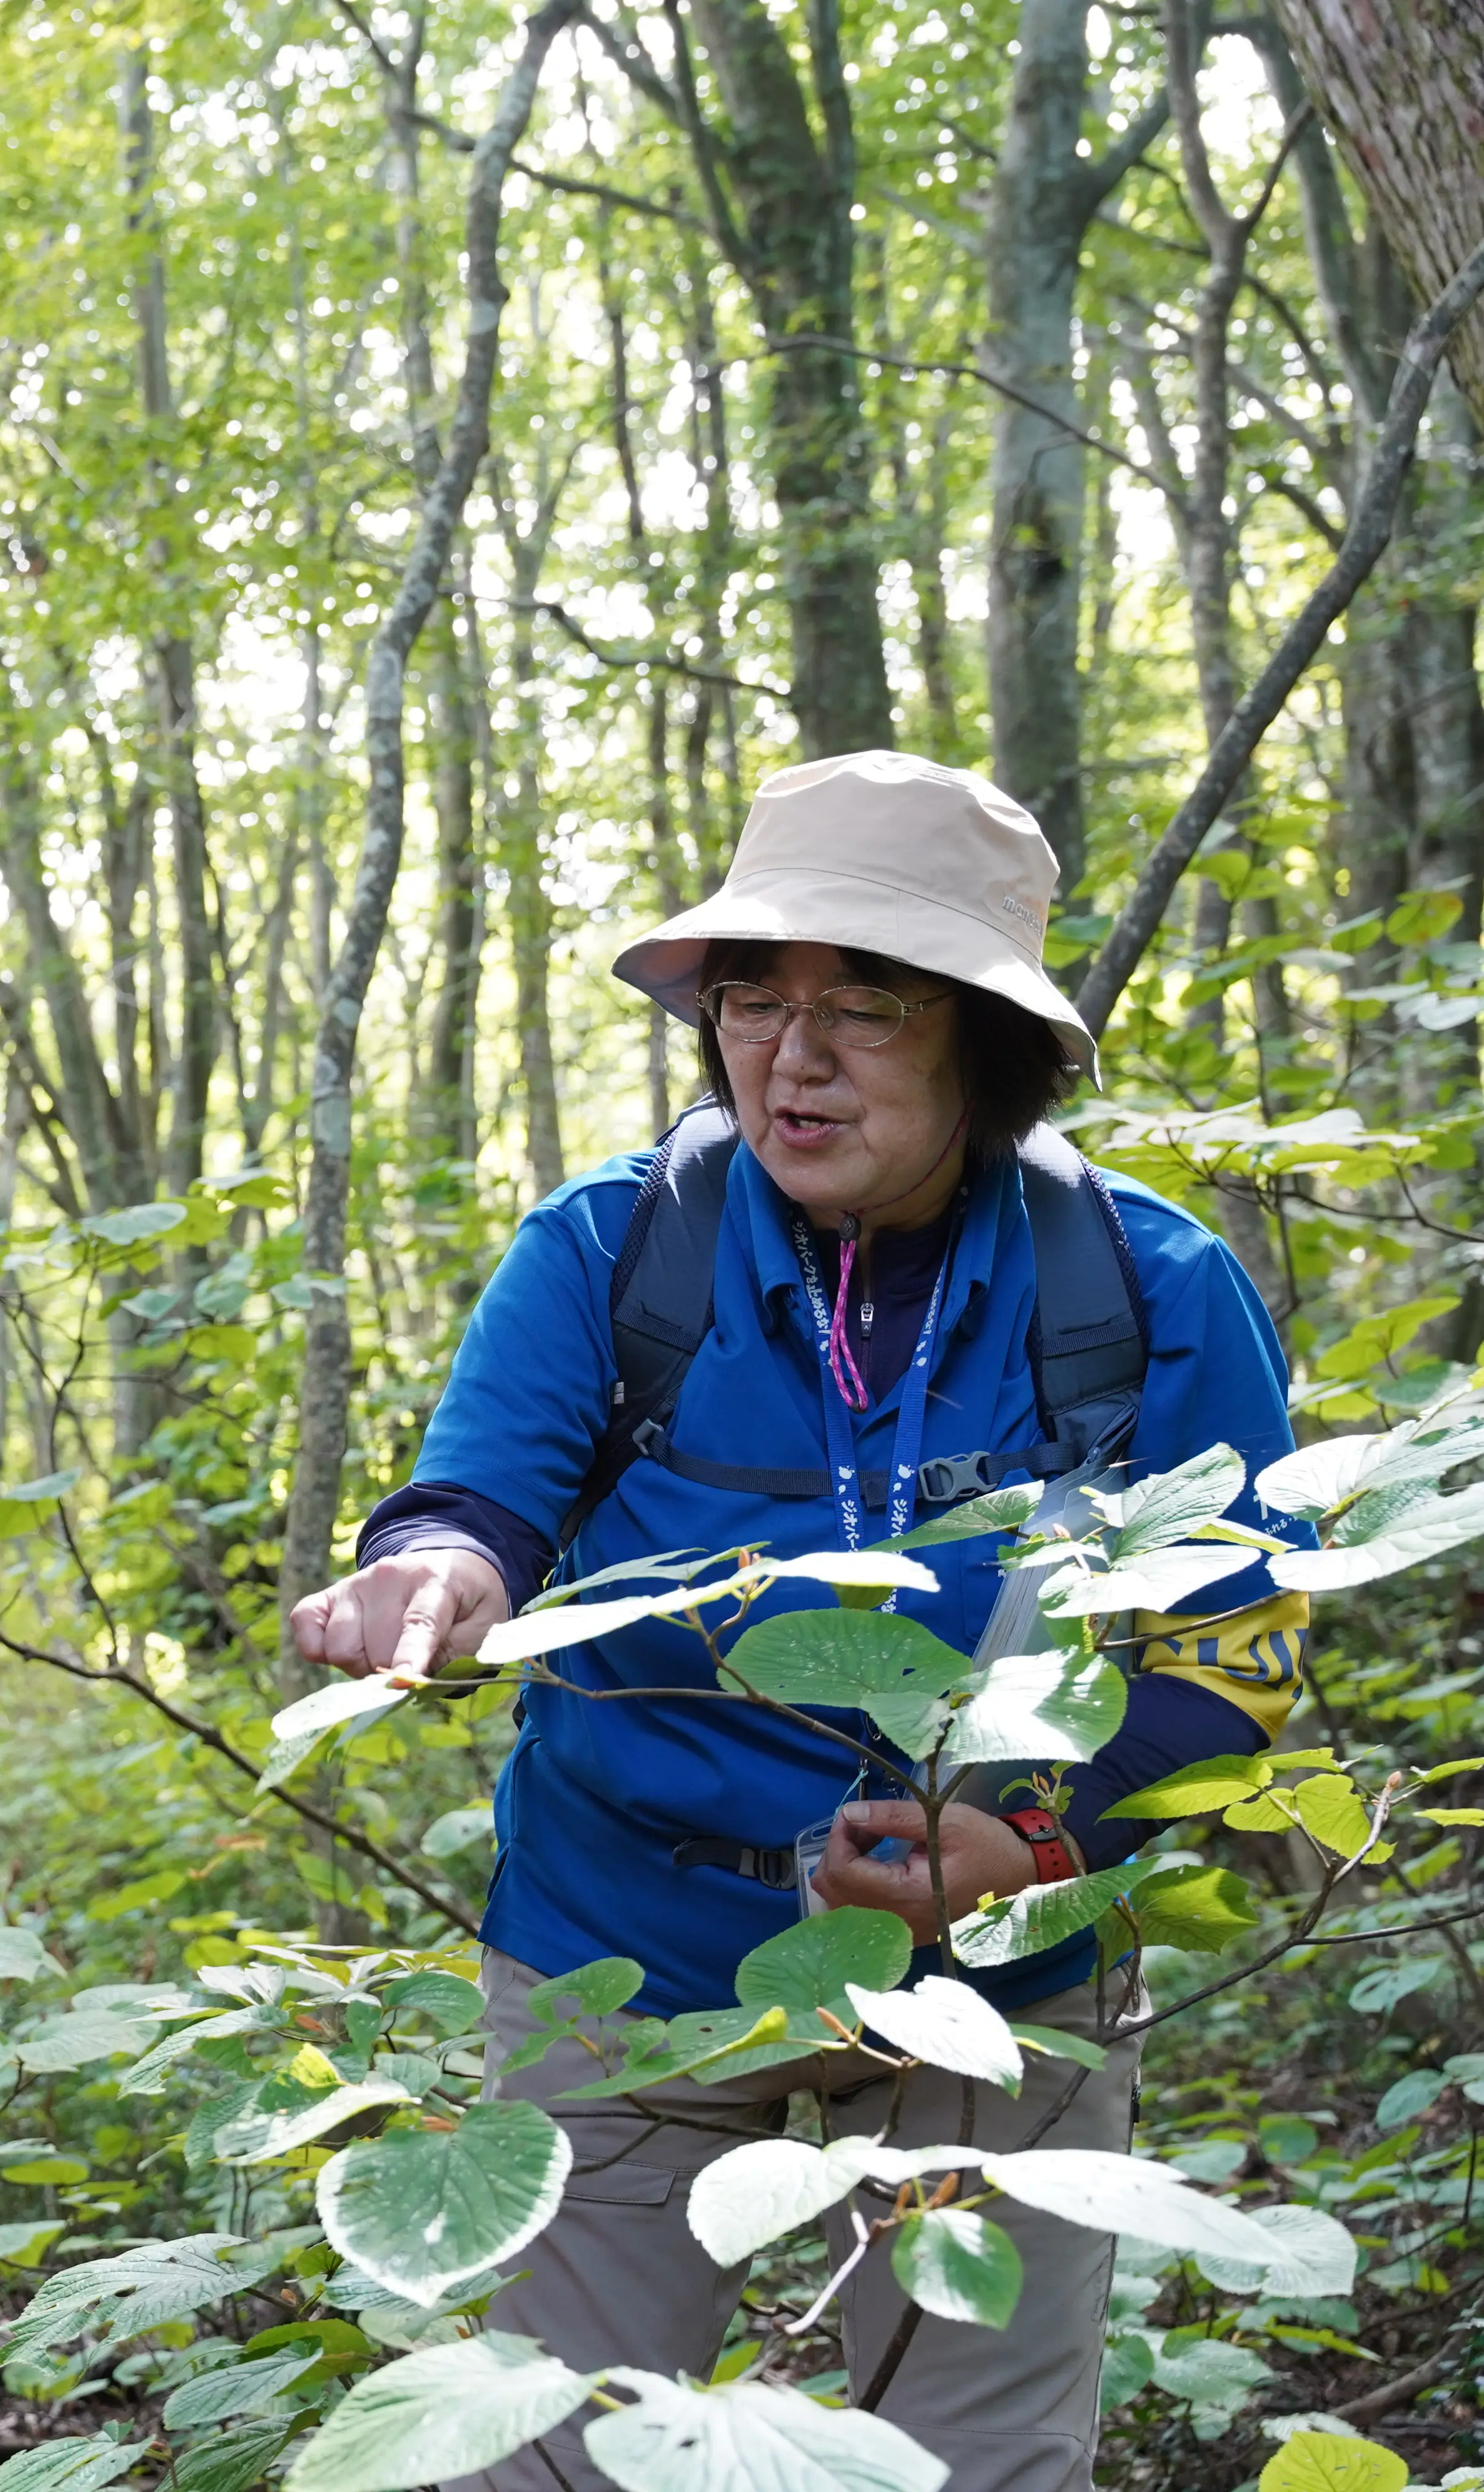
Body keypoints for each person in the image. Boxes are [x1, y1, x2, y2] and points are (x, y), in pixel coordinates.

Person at [288, 751, 1310, 2492]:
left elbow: (1234, 1660)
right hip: (621, 1952)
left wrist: (1029, 1838)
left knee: (980, 2468)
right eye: (753, 1000)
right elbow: (484, 1497)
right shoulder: (618, 1251)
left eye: (867, 1004)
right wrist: (440, 1576)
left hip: (996, 1984)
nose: (793, 1055)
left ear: (983, 1040)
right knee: (550, 2453)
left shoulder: (1142, 1292)